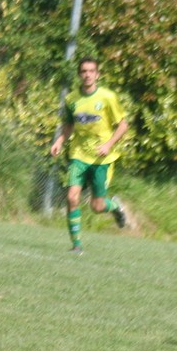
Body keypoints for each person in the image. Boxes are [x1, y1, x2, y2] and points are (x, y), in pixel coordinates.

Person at [49, 57, 128, 252]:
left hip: (102, 159)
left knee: (97, 206)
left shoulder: (107, 97)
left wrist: (108, 145)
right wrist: (59, 141)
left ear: (97, 74)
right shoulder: (72, 99)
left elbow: (123, 125)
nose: (87, 75)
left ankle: (115, 207)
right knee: (72, 198)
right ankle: (76, 246)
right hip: (79, 155)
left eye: (91, 71)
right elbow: (69, 124)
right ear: (79, 74)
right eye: (84, 71)